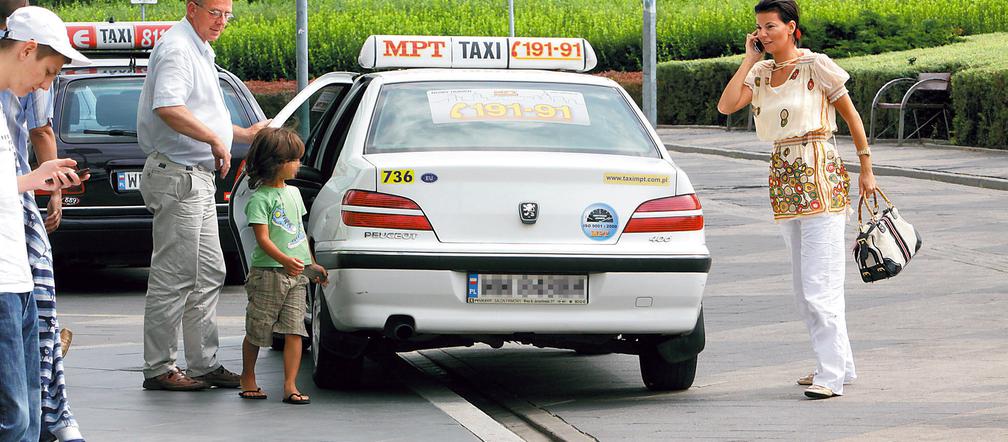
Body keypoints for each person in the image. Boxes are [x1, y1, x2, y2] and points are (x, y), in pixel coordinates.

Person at [717, 0, 877, 399]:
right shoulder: (761, 71)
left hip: (820, 175)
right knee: (802, 285)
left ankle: (830, 375)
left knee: (820, 284)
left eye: (771, 26)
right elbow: (726, 105)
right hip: (784, 178)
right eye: (758, 28)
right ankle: (842, 364)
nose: (763, 34)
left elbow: (852, 116)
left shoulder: (816, 65)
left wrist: (867, 168)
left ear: (792, 28)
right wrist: (747, 58)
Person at [136, 0, 269, 391]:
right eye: (215, 13)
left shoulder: (196, 47)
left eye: (227, 15)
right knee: (174, 277)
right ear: (191, 8)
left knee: (209, 271)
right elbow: (168, 106)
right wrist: (214, 138)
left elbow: (198, 113)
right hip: (180, 176)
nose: (222, 22)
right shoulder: (178, 48)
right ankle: (159, 368)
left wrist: (241, 135)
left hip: (194, 177)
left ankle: (202, 363)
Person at [0, 6, 90, 441]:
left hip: (16, 276)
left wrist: (35, 180)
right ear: (27, 50)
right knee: (16, 417)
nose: (44, 86)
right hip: (4, 280)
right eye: (49, 72)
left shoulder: (8, 107)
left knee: (28, 415)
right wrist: (34, 180)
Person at [238, 127, 327, 405]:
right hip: (268, 274)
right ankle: (247, 377)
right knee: (258, 328)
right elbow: (262, 239)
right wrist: (284, 260)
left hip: (296, 274)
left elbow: (299, 232)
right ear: (276, 163)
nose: (299, 164)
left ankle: (290, 384)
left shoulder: (295, 194)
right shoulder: (259, 199)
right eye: (294, 159)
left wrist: (311, 264)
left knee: (295, 330)